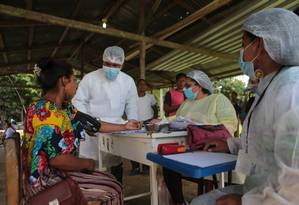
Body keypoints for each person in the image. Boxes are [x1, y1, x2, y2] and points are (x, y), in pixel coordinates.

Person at [190, 8, 299, 205]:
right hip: (262, 188)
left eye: (243, 45)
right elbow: (266, 140)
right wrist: (231, 145)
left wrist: (244, 202)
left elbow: (295, 183)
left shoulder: (292, 88)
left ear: (260, 44)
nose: (242, 53)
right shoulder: (273, 84)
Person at [23, 59, 140, 204]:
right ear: (64, 81)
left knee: (110, 180)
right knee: (113, 189)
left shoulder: (64, 109)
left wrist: (124, 126)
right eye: (74, 80)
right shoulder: (46, 112)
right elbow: (57, 159)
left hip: (56, 172)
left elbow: (93, 124)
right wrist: (86, 163)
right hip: (44, 180)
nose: (76, 86)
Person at [163, 70, 238, 205]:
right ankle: (179, 202)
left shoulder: (217, 99)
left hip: (210, 146)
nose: (184, 89)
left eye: (187, 85)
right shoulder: (186, 104)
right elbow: (175, 119)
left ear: (198, 85)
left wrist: (202, 127)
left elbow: (229, 125)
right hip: (188, 147)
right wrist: (162, 121)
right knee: (168, 164)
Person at [72, 46, 138, 183]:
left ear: (122, 65)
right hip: (93, 127)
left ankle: (116, 192)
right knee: (91, 163)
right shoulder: (90, 78)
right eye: (107, 64)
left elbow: (132, 104)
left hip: (116, 128)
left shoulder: (128, 81)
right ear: (102, 61)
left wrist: (132, 120)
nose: (111, 68)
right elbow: (78, 101)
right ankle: (91, 195)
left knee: (115, 161)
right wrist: (87, 123)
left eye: (115, 65)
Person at [130, 79, 158, 175]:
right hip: (135, 123)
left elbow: (155, 109)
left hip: (148, 123)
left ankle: (146, 167)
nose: (142, 86)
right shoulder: (132, 97)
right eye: (140, 84)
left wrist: (153, 120)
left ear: (146, 87)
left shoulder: (150, 97)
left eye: (144, 85)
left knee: (147, 145)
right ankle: (135, 167)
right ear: (136, 86)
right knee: (133, 145)